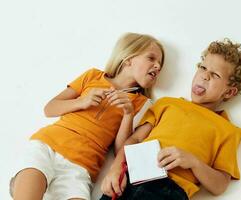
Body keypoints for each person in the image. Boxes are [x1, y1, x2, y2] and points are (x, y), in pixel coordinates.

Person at [10, 32, 165, 200]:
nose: (157, 66)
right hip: (47, 146)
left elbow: (121, 150)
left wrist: (128, 114)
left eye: (160, 64)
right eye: (151, 58)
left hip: (81, 168)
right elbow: (50, 108)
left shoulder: (143, 104)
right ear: (128, 58)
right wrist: (81, 102)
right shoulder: (92, 76)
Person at [100, 38, 241, 200]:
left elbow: (220, 185)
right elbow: (135, 139)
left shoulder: (228, 130)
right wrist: (115, 168)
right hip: (131, 176)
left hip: (170, 191)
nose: (204, 76)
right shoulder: (167, 104)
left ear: (229, 92)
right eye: (202, 68)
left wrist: (193, 162)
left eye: (215, 75)